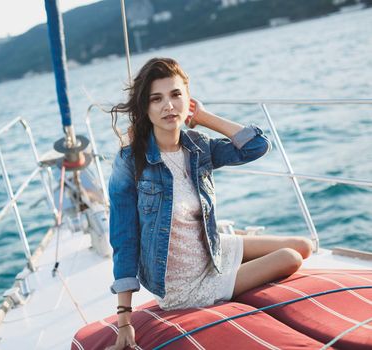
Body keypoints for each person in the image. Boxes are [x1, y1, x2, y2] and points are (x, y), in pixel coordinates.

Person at [106, 58, 313, 350]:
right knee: (291, 257)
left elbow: (257, 146)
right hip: (184, 285)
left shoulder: (197, 145)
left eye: (176, 95)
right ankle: (236, 262)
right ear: (145, 107)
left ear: (188, 99)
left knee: (304, 244)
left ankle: (237, 249)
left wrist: (204, 117)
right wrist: (124, 320)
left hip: (210, 252)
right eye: (157, 99)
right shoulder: (131, 162)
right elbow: (124, 240)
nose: (168, 106)